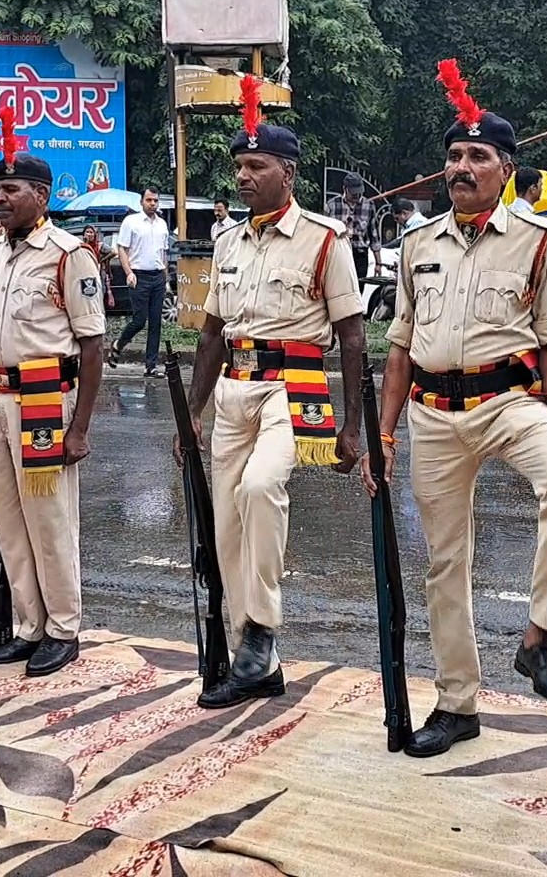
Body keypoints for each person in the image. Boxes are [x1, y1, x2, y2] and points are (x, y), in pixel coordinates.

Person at [362, 60, 547, 759]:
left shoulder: (541, 240)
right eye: (454, 156)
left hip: (509, 400)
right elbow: (398, 347)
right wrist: (385, 435)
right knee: (445, 564)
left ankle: (541, 636)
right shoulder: (416, 243)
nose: (461, 167)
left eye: (477, 156)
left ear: (506, 167)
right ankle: (456, 704)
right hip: (433, 413)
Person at [177, 89, 364, 710]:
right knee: (228, 520)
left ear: (289, 172)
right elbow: (210, 332)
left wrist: (353, 430)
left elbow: (353, 336)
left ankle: (261, 628)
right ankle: (251, 653)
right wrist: (194, 413)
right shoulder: (228, 243)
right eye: (239, 167)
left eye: (257, 167)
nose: (244, 176)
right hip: (234, 387)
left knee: (261, 489)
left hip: (296, 386)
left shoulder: (325, 239)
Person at [0, 110, 105, 677]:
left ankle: (63, 627)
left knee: (50, 518)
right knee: (10, 518)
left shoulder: (68, 255)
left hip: (46, 399)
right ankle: (29, 625)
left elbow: (93, 343)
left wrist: (80, 428)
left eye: (11, 190)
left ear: (41, 194)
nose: (0, 199)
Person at [109, 187, 168, 378]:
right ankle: (118, 344)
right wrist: (129, 272)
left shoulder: (162, 224)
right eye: (149, 200)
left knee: (156, 322)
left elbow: (163, 252)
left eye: (155, 201)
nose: (152, 204)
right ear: (141, 202)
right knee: (139, 320)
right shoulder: (131, 222)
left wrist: (165, 276)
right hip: (138, 276)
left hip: (157, 275)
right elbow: (122, 249)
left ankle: (150, 366)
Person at [325, 173, 376, 278]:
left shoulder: (368, 205)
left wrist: (378, 263)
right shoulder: (332, 205)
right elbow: (324, 233)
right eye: (353, 193)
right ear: (345, 189)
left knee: (358, 289)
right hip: (338, 254)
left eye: (359, 192)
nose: (356, 195)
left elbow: (374, 235)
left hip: (360, 255)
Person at [82, 225, 116, 309]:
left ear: (95, 234)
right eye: (87, 232)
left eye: (91, 232)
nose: (89, 234)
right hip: (86, 274)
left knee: (100, 295)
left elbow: (113, 252)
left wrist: (101, 260)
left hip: (99, 274)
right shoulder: (81, 245)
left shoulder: (100, 245)